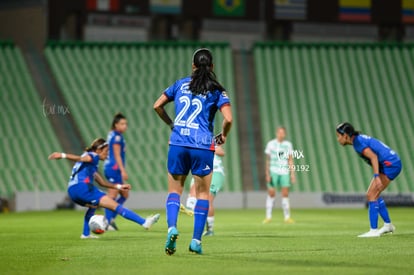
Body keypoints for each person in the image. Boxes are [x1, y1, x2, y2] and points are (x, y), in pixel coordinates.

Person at [153, 48, 232, 255]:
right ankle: (196, 241)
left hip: (178, 143)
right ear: (212, 67)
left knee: (174, 191)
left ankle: (172, 228)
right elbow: (229, 119)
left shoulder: (180, 84)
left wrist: (172, 124)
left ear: (193, 65)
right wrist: (223, 135)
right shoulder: (217, 91)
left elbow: (157, 106)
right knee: (203, 194)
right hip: (203, 145)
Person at [48, 138, 160, 239]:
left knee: (93, 205)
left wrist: (120, 186)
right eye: (106, 152)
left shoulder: (90, 166)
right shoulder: (93, 156)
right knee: (115, 206)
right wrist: (62, 155)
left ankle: (85, 234)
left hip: (73, 191)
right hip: (83, 188)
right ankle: (144, 222)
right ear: (98, 150)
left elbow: (102, 183)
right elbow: (83, 158)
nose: (107, 155)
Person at [336, 122, 402, 238]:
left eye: (339, 136)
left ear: (346, 135)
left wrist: (376, 177)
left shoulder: (358, 143)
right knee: (372, 194)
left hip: (390, 164)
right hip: (389, 163)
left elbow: (374, 157)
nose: (338, 139)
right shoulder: (358, 140)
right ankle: (388, 225)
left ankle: (374, 230)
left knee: (372, 195)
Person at [185, 145, 226, 236]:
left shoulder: (211, 142)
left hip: (215, 172)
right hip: (200, 171)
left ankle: (209, 229)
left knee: (208, 200)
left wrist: (207, 148)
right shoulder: (193, 144)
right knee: (194, 194)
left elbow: (221, 152)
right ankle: (192, 206)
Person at [263, 127, 296, 224]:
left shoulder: (288, 145)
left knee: (285, 194)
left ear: (284, 134)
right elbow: (268, 160)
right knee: (271, 193)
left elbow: (290, 159)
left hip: (284, 171)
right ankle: (268, 217)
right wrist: (267, 173)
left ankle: (287, 217)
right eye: (279, 132)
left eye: (283, 133)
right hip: (273, 170)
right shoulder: (271, 144)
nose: (281, 134)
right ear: (276, 133)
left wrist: (292, 173)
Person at [104, 113, 129, 230]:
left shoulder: (112, 134)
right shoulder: (117, 137)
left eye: (126, 124)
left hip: (112, 168)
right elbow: (117, 155)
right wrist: (123, 170)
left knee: (124, 194)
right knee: (112, 194)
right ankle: (107, 221)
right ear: (116, 124)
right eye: (122, 124)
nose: (125, 126)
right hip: (114, 168)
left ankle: (110, 218)